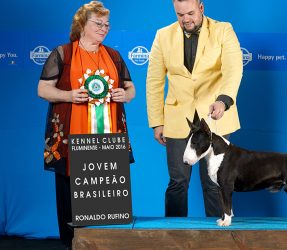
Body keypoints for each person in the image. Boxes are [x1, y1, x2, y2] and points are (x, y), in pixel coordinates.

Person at [37, 1, 135, 248]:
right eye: (98, 23)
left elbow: (129, 87)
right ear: (82, 25)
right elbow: (43, 89)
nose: (104, 28)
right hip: (71, 139)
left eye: (107, 24)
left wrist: (127, 95)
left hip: (108, 140)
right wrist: (68, 95)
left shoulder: (114, 55)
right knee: (71, 195)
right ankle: (72, 244)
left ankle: (104, 243)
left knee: (105, 194)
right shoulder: (63, 53)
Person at [146, 0, 242, 217]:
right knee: (177, 181)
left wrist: (223, 100)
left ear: (201, 8)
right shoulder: (162, 35)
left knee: (214, 181)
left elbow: (233, 69)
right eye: (180, 15)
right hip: (178, 117)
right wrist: (157, 121)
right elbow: (154, 81)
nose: (185, 19)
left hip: (215, 115)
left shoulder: (223, 29)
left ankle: (218, 238)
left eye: (190, 13)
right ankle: (174, 236)